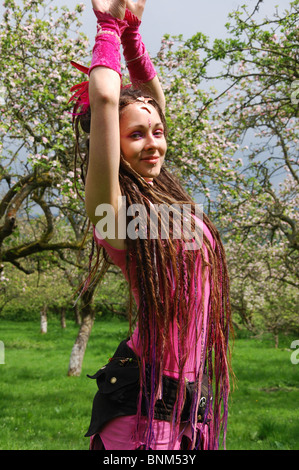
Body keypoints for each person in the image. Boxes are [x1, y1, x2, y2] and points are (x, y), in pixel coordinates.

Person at [69, 0, 233, 451]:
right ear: (112, 145)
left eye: (157, 132)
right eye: (136, 135)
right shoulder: (115, 210)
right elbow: (105, 97)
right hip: (143, 404)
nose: (153, 143)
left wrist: (132, 35)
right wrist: (107, 25)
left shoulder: (164, 197)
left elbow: (149, 97)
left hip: (184, 402)